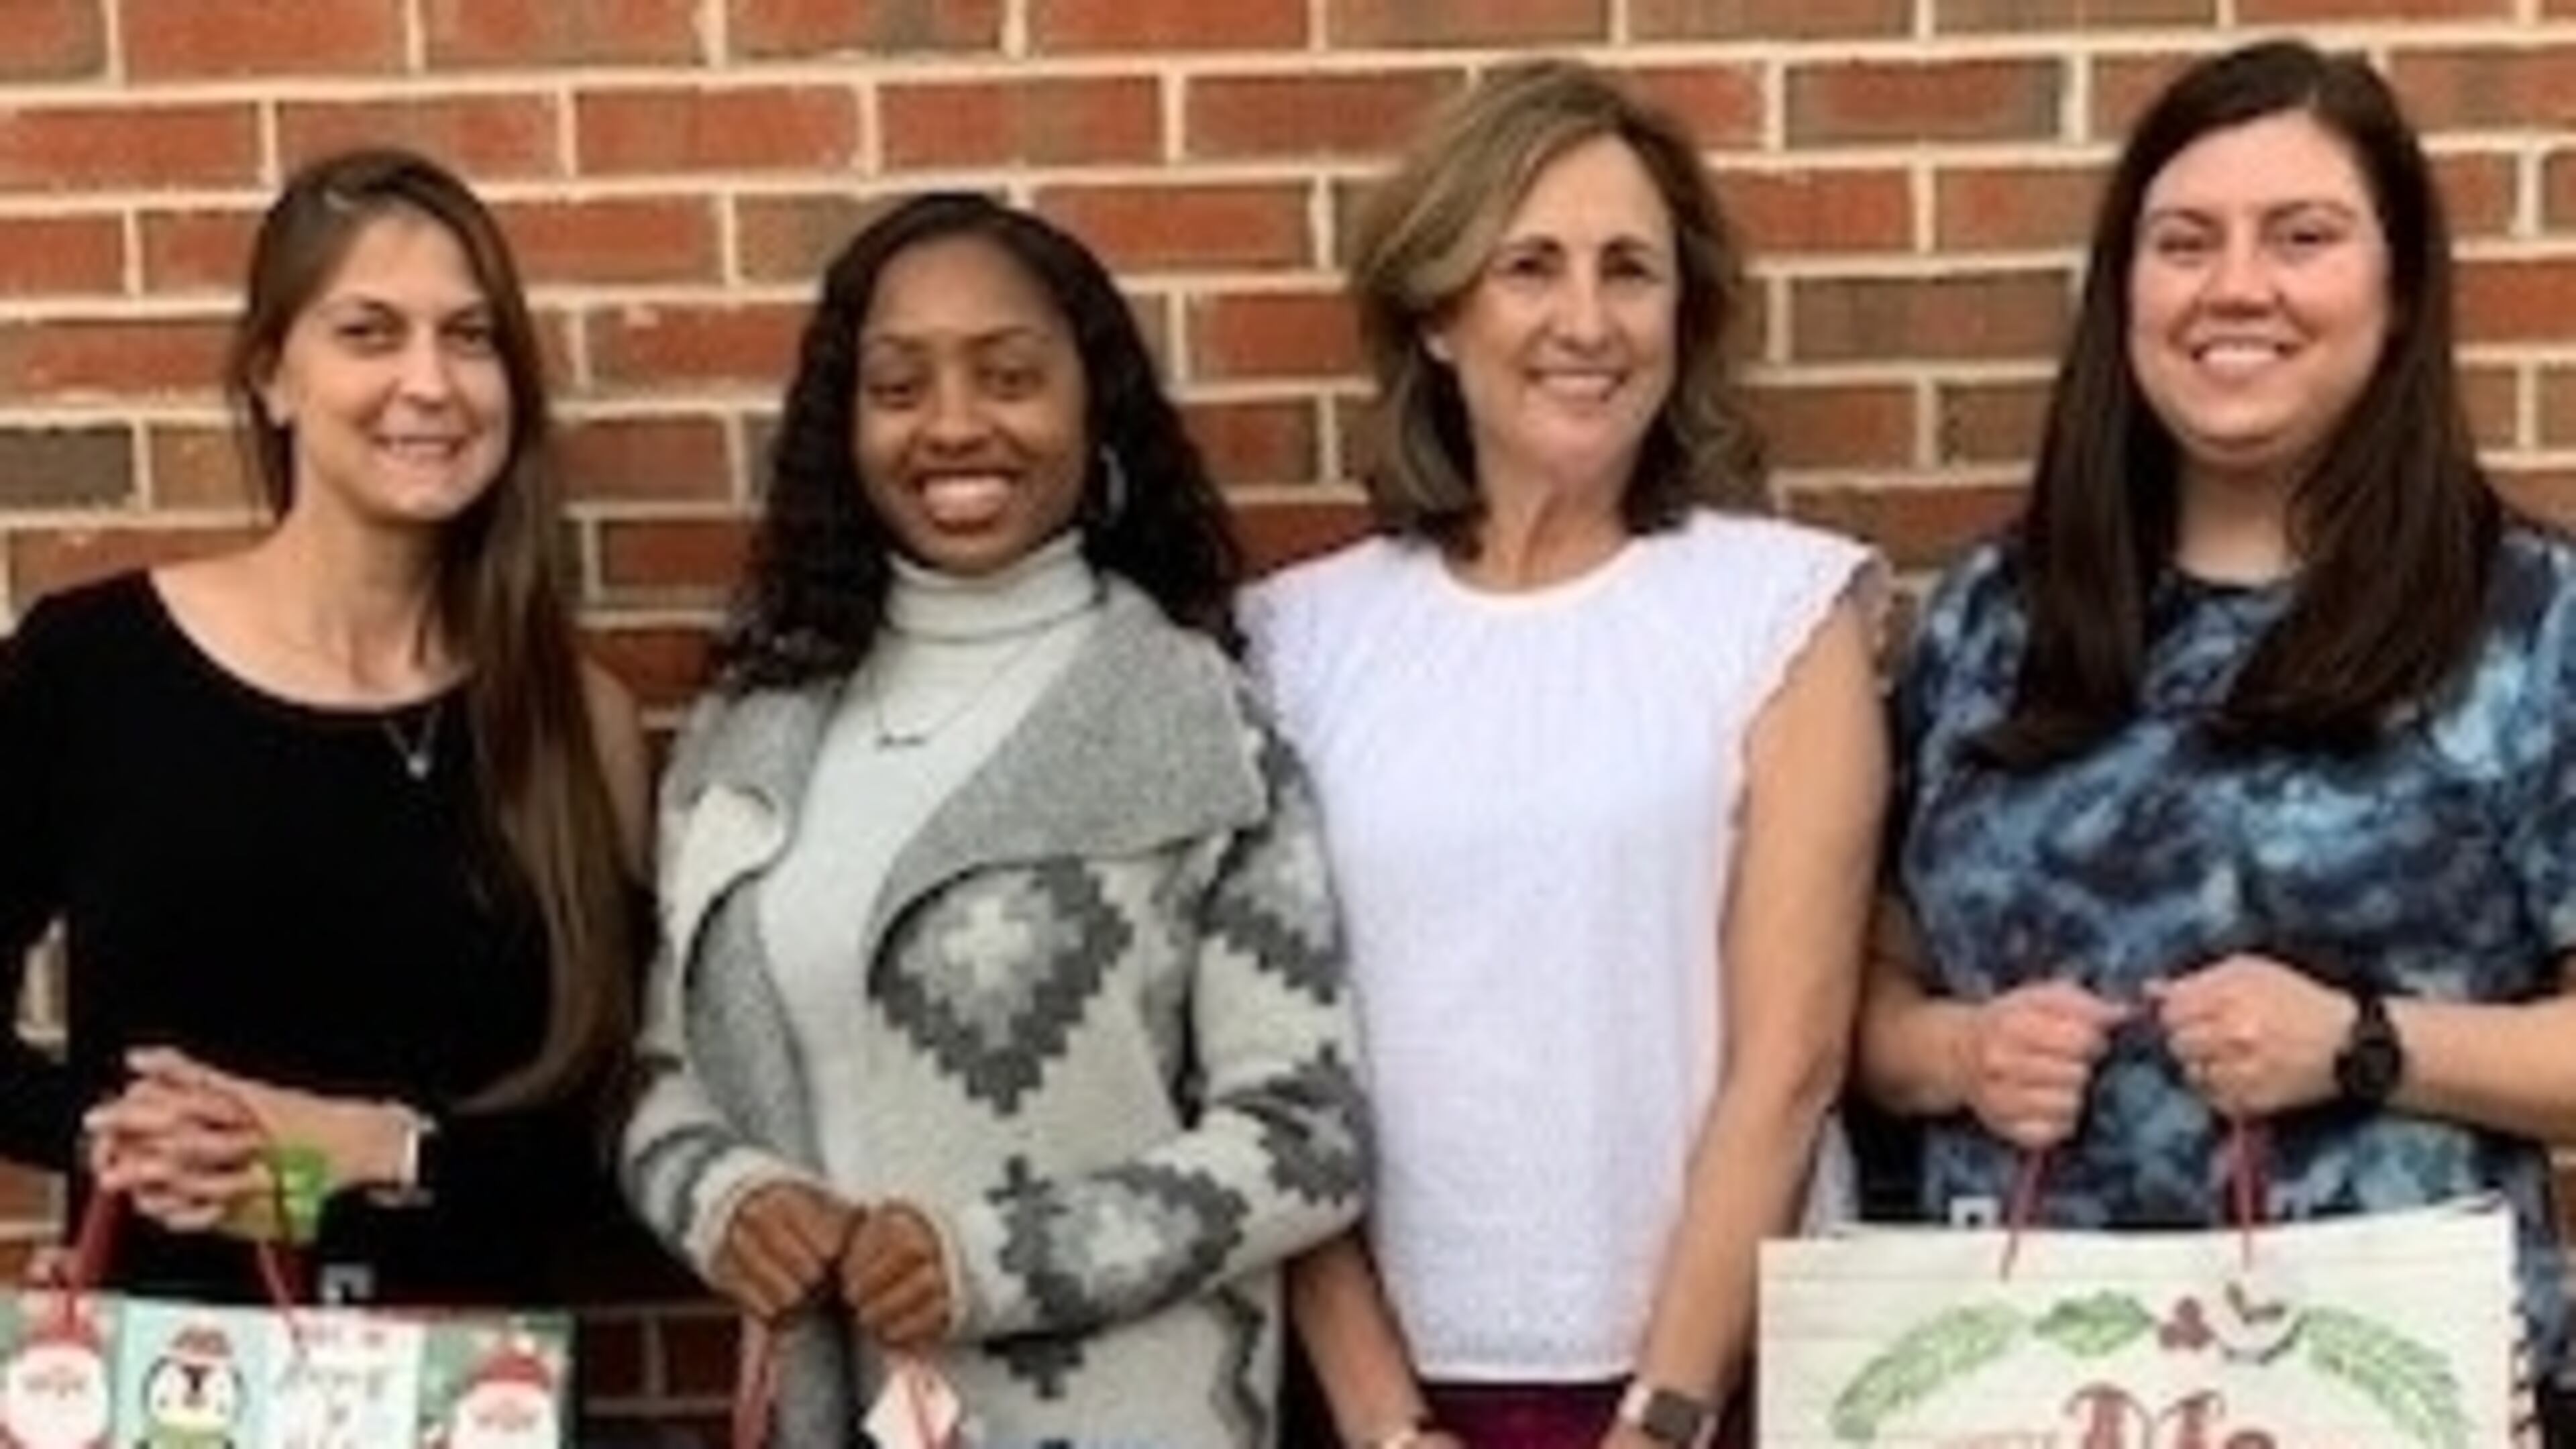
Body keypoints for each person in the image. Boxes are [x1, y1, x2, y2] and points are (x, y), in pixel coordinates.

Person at [1858, 37, 2576, 1442]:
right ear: (2126, 292)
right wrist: (1957, 1053)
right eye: (2184, 241)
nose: (2236, 285)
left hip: (2395, 1389)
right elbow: (1867, 1005)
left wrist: (2366, 1046)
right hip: (2015, 1387)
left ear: (2399, 288)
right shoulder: (1992, 619)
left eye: (2302, 237)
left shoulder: (2529, 623)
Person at [617, 192, 1368, 1448]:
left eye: (1012, 376)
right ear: (844, 426)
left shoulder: (1191, 724)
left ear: (1093, 406)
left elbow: (1310, 1136)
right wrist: (726, 1200)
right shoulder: (749, 736)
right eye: (899, 386)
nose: (955, 425)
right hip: (825, 1413)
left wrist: (991, 1261)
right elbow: (657, 1081)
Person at [1248, 58, 1886, 1449]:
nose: (1586, 322)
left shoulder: (1780, 612)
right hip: (1387, 1384)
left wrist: (1666, 1412)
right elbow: (1262, 1067)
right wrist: (1378, 1419)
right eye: (1529, 267)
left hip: (1726, 1372)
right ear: (1435, 312)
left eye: (1631, 271)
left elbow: (1790, 1058)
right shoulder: (1299, 642)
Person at [0, 146, 650, 1304]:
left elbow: (619, 1132)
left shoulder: (575, 721)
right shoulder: (92, 668)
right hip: (176, 1393)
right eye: (368, 332)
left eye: (471, 336)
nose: (431, 382)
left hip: (474, 1398)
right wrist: (114, 1136)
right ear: (272, 378)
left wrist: (375, 1150)